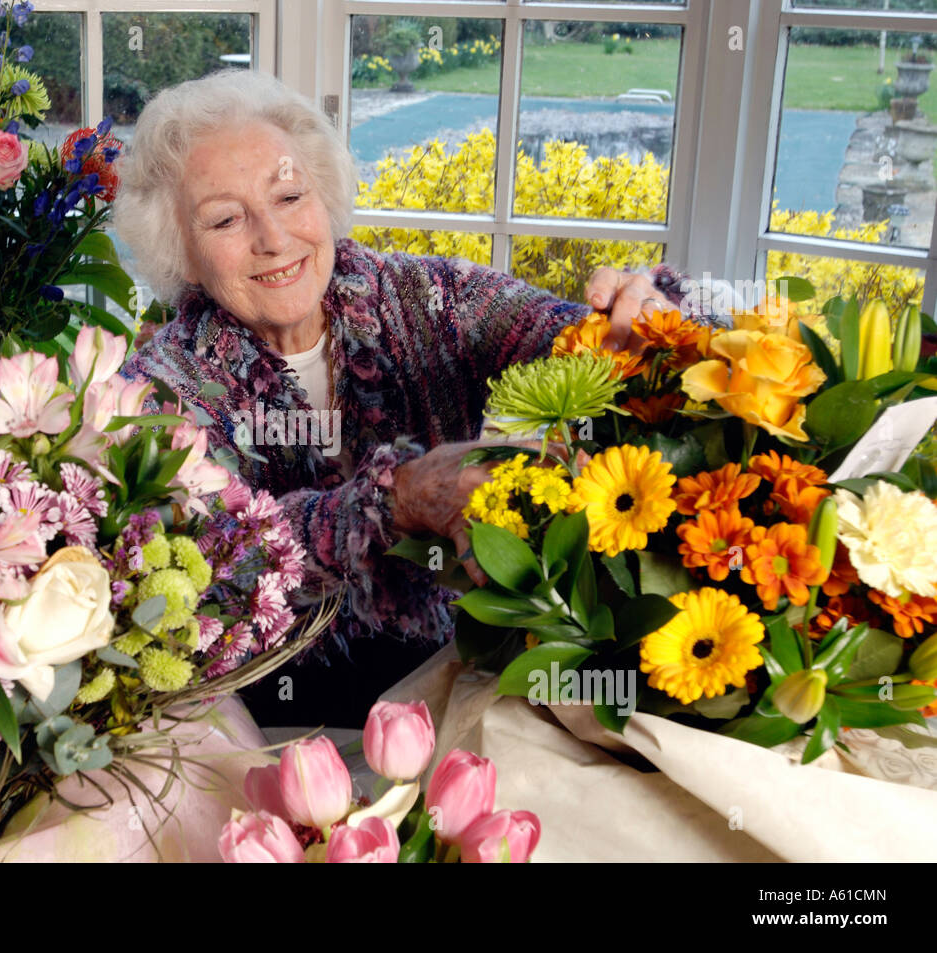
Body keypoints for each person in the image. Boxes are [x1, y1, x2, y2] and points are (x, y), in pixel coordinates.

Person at [114, 69, 703, 728]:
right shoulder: (158, 385)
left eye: (288, 196)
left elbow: (560, 335)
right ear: (183, 254)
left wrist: (633, 322)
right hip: (278, 728)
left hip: (465, 683)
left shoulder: (425, 297)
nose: (273, 238)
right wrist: (391, 503)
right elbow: (207, 562)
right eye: (226, 218)